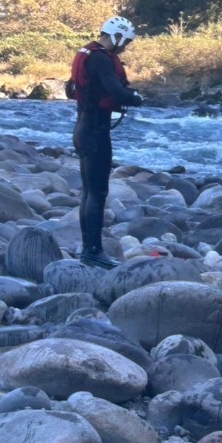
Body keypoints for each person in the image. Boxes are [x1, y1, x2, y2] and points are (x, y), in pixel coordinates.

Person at [72, 16, 143, 268]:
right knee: (98, 192)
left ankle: (89, 250)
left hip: (83, 127)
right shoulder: (101, 59)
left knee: (89, 191)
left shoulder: (88, 53)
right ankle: (93, 251)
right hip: (95, 130)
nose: (124, 48)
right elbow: (116, 91)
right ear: (117, 36)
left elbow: (72, 89)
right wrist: (136, 98)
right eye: (124, 42)